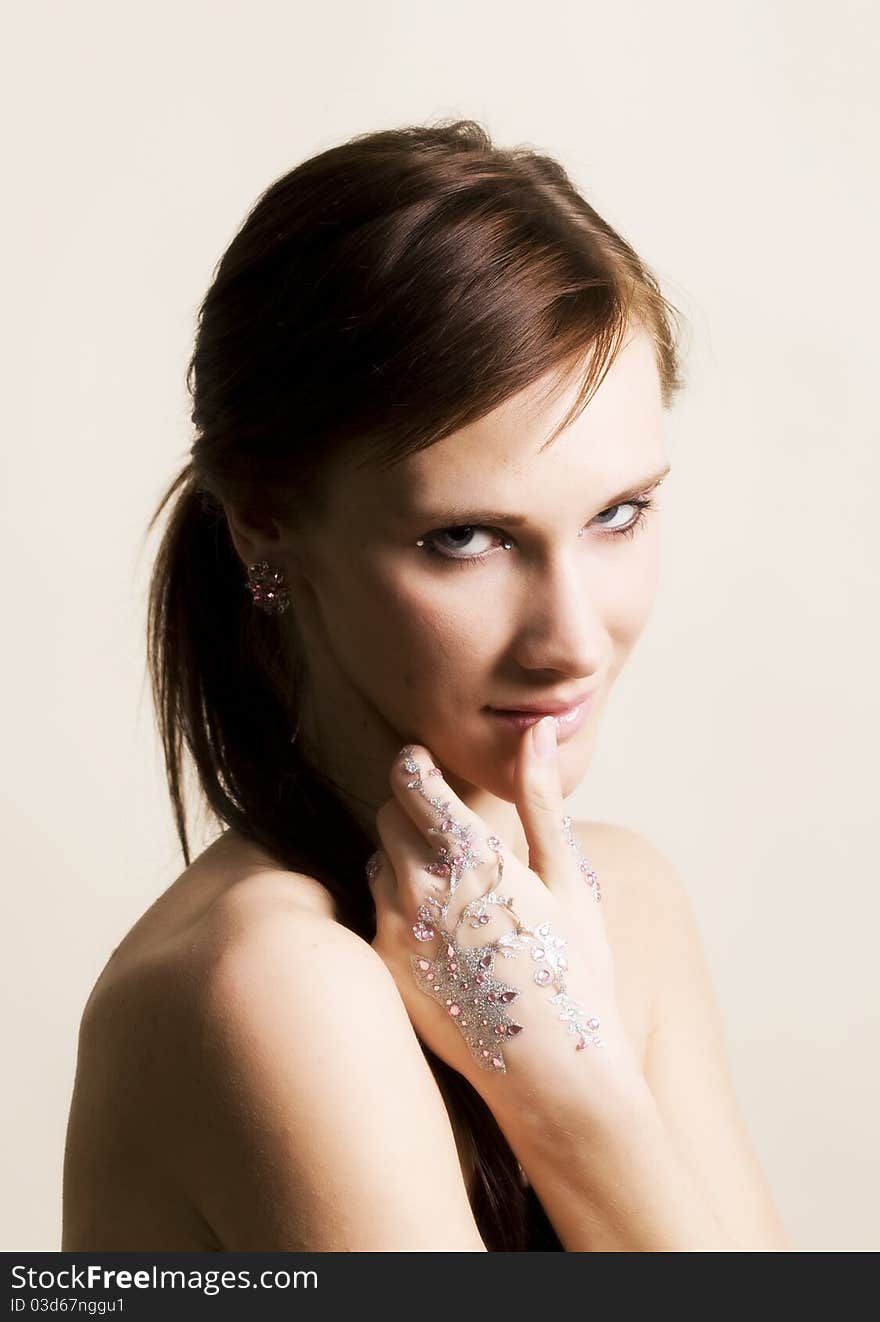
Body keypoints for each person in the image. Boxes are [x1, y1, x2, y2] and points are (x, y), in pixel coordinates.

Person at [62, 119, 789, 1252]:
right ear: (267, 523)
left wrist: (564, 1060)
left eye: (617, 514)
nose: (572, 636)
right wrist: (572, 1100)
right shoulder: (270, 985)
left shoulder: (621, 908)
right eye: (466, 538)